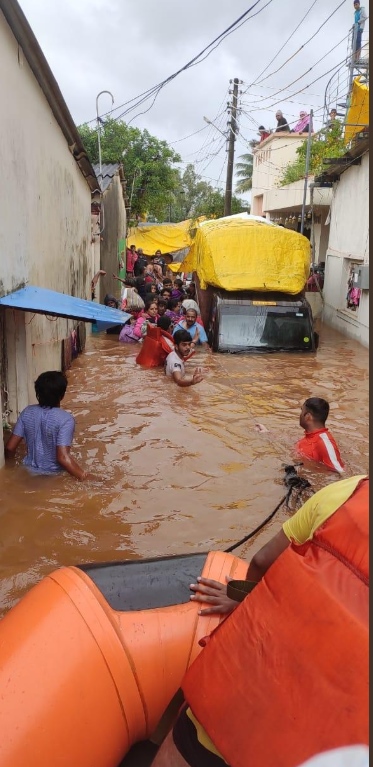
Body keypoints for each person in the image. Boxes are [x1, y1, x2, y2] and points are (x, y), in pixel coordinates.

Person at [151, 474, 368, 766]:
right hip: (316, 739)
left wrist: (240, 599)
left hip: (234, 691)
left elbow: (264, 560)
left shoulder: (349, 491)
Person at [5, 371, 90, 480]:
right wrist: (85, 476)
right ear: (62, 395)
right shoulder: (66, 419)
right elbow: (63, 457)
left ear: (38, 392)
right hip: (53, 477)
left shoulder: (27, 412)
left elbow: (10, 448)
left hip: (27, 472)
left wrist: (10, 468)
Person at [296, 397, 344, 473]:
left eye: (302, 411)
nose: (300, 415)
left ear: (308, 416)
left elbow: (340, 472)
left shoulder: (324, 442)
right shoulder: (306, 438)